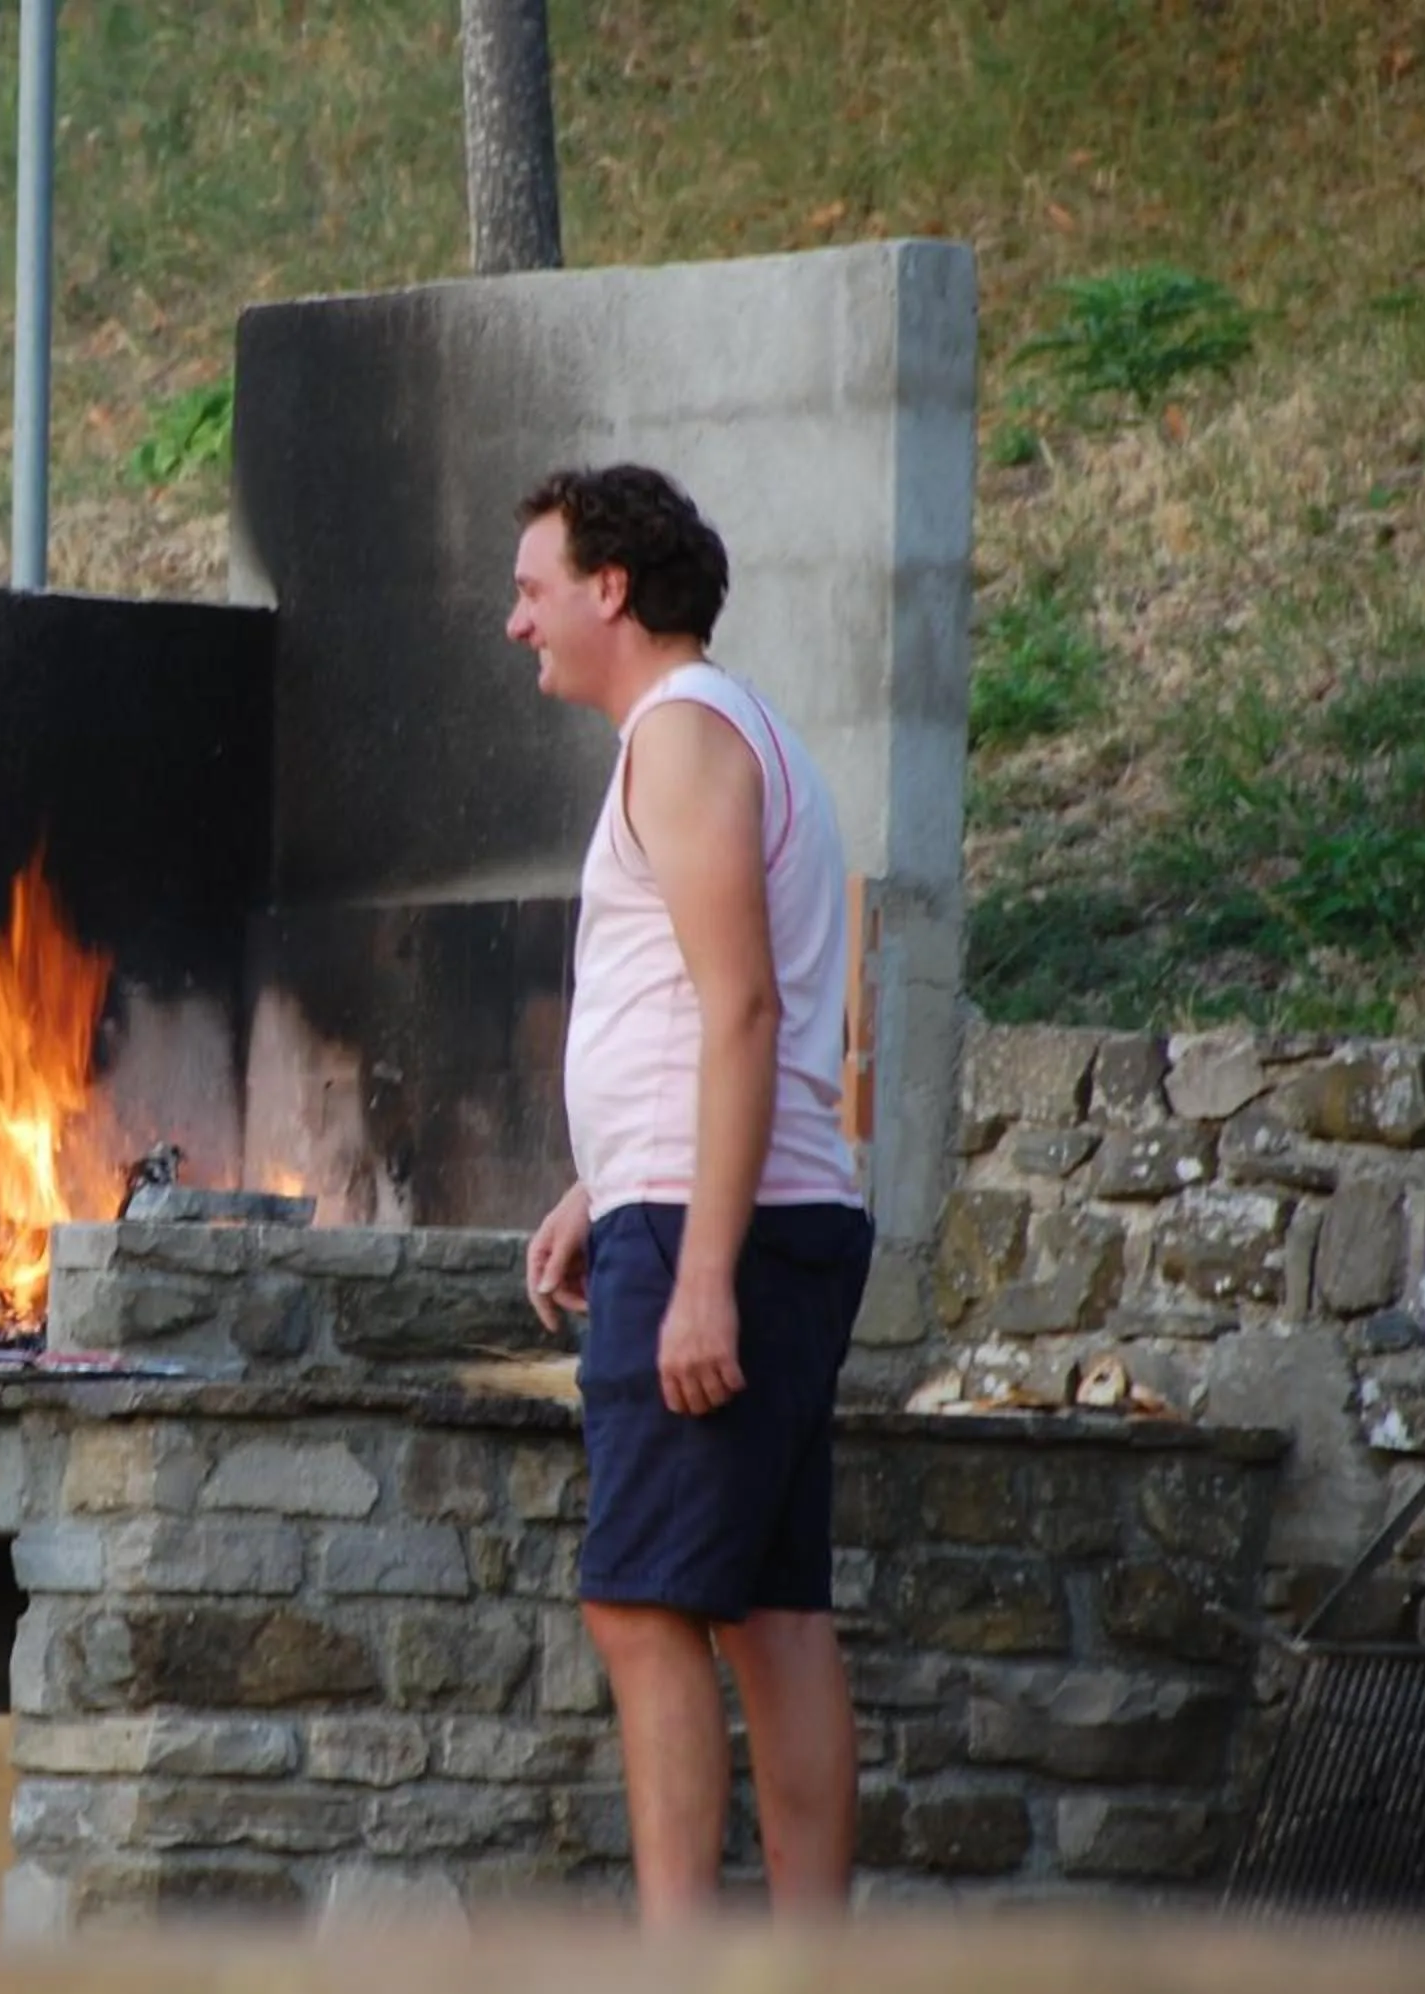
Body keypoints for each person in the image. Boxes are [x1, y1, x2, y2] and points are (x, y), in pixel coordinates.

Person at [507, 466, 874, 1924]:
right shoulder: (722, 731)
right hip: (726, 1209)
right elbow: (697, 1013)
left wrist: (701, 1267)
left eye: (534, 588)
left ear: (611, 587)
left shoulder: (682, 734)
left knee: (640, 1602)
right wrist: (601, 1182)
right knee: (772, 1614)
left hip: (721, 1233)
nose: (516, 620)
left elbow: (745, 1009)